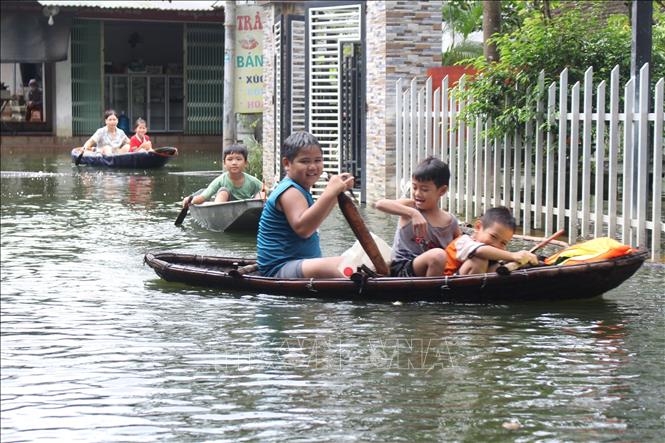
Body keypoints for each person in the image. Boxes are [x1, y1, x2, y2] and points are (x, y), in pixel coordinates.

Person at [256, 131, 354, 278]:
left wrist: (337, 191)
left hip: (298, 264)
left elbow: (316, 218)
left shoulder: (300, 189)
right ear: (287, 164)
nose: (313, 167)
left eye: (318, 160)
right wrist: (329, 192)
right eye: (305, 161)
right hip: (280, 268)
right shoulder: (290, 191)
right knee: (346, 265)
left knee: (358, 259)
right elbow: (304, 229)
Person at [375, 156, 461, 277]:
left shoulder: (450, 221)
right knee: (438, 255)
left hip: (437, 271)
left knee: (444, 256)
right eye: (414, 187)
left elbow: (461, 246)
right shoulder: (410, 207)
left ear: (442, 191)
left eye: (424, 189)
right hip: (402, 268)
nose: (417, 193)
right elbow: (380, 204)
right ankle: (429, 295)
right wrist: (413, 213)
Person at [443, 206, 538, 275]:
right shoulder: (464, 241)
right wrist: (513, 255)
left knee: (496, 265)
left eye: (503, 243)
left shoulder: (493, 252)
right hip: (450, 280)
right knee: (480, 260)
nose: (496, 245)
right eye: (493, 236)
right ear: (478, 227)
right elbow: (481, 251)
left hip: (478, 280)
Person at [181, 143, 263, 207]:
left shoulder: (252, 181)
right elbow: (204, 196)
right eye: (230, 159)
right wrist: (190, 200)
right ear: (224, 163)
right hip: (224, 213)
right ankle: (217, 213)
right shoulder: (221, 180)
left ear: (245, 163)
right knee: (223, 191)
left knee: (262, 192)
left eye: (238, 159)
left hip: (246, 212)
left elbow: (267, 191)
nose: (234, 163)